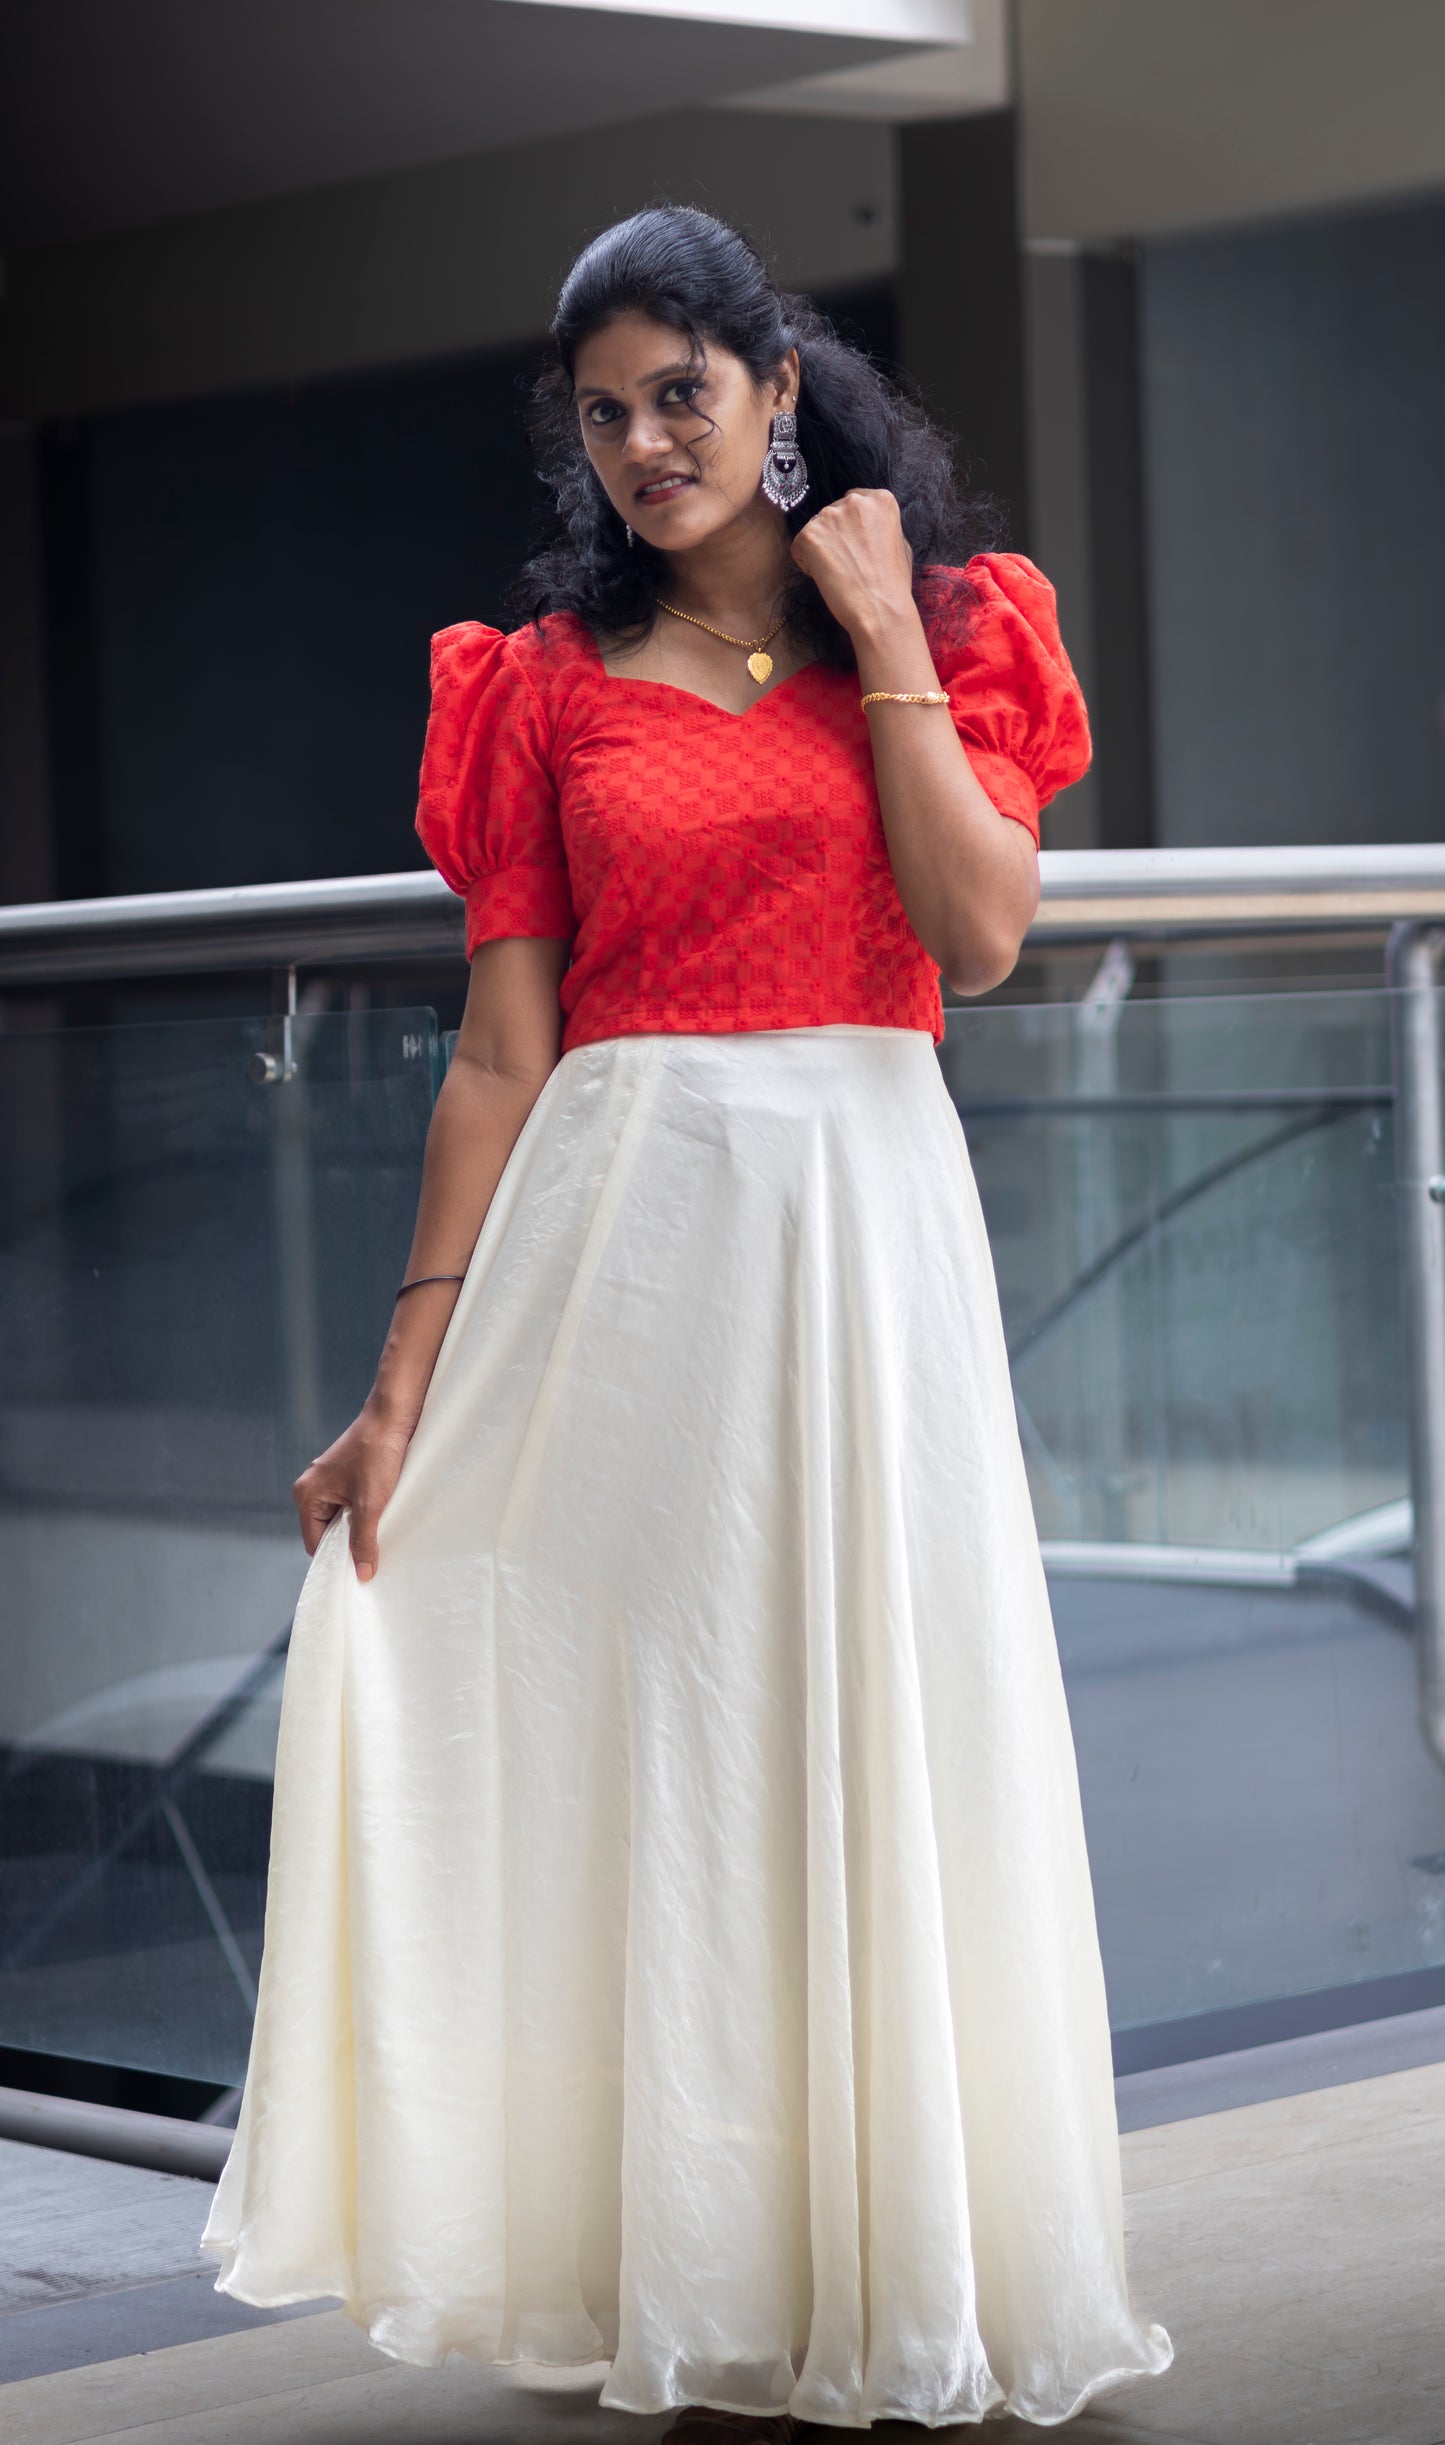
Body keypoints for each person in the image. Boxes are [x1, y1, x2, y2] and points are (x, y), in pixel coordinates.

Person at [201, 204, 1172, 2436]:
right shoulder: (536, 686)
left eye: (682, 393)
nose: (645, 443)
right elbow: (501, 1054)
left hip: (862, 1221)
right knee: (661, 1738)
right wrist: (399, 1380)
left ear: (779, 386)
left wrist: (877, 635)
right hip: (624, 1252)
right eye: (604, 414)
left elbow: (985, 933)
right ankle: (680, 2260)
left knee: (876, 1710)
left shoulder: (946, 623)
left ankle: (885, 2260)